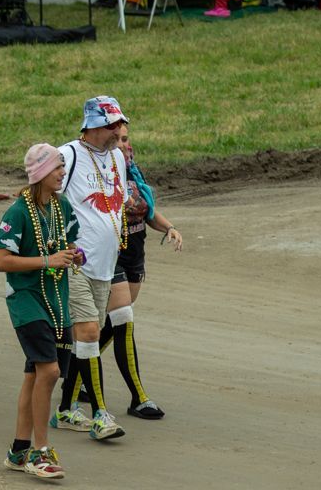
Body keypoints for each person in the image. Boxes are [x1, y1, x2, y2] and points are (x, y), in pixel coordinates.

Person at [0, 143, 82, 481]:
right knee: (49, 371)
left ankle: (18, 450)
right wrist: (47, 260)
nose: (62, 172)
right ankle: (39, 452)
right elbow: (0, 261)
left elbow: (70, 245)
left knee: (35, 375)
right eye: (58, 167)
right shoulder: (17, 212)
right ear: (41, 173)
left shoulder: (62, 208)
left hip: (56, 302)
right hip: (26, 300)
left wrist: (75, 255)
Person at [51, 96, 130, 442]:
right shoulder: (66, 155)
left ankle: (66, 410)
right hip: (75, 264)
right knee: (87, 333)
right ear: (94, 125)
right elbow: (42, 195)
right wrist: (59, 245)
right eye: (113, 125)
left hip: (105, 264)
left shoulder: (116, 157)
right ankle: (99, 414)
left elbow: (118, 203)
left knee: (91, 335)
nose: (120, 131)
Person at [99, 122, 183, 420]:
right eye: (117, 139)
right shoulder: (100, 173)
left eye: (126, 139)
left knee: (114, 321)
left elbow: (147, 212)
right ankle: (138, 398)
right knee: (123, 318)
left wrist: (169, 227)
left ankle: (78, 369)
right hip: (110, 254)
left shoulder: (133, 172)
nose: (123, 144)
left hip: (135, 251)